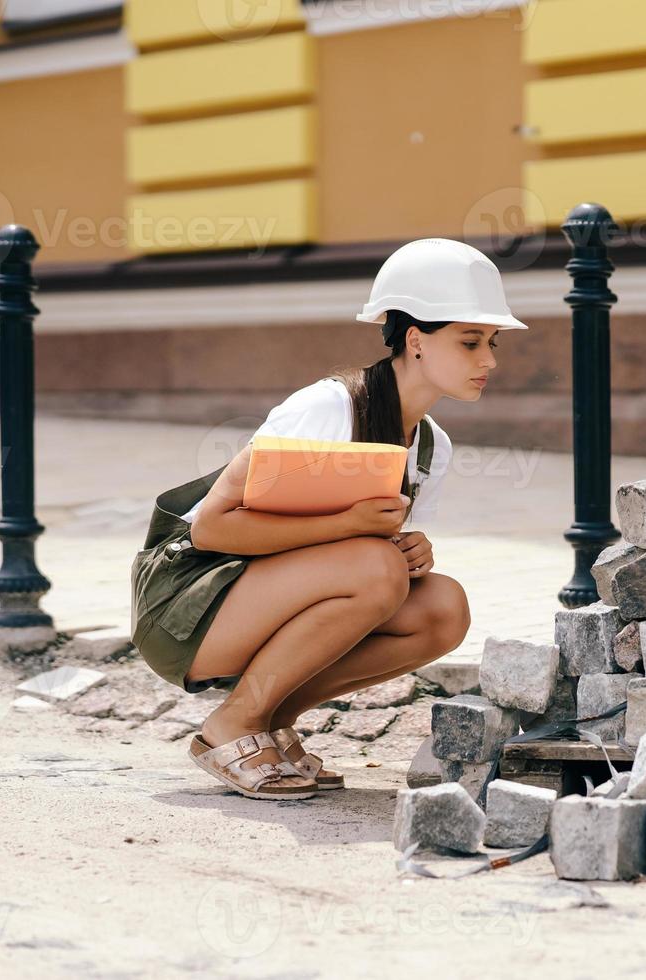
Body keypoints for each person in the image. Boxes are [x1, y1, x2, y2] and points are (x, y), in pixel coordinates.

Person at [128, 239, 527, 800]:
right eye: (470, 342)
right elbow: (211, 528)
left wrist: (414, 552)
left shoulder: (433, 446)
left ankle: (269, 718)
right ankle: (232, 725)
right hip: (186, 611)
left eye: (492, 342)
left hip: (264, 604)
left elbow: (370, 562)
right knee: (374, 566)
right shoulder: (327, 408)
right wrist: (353, 526)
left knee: (442, 607)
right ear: (415, 341)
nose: (489, 360)